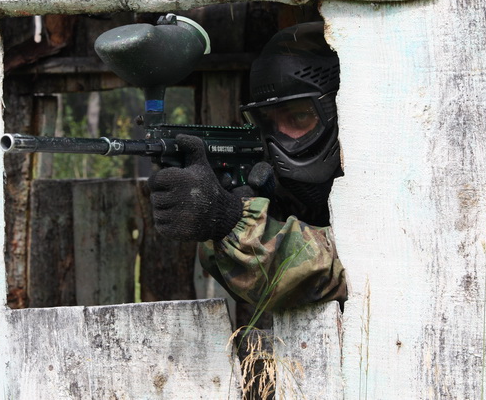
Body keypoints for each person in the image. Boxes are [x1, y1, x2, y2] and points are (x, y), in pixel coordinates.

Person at [148, 22, 347, 311]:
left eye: (299, 117)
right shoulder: (289, 193)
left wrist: (230, 220)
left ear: (341, 112)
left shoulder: (395, 180)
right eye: (268, 121)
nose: (279, 137)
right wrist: (230, 219)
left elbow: (339, 272)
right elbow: (261, 288)